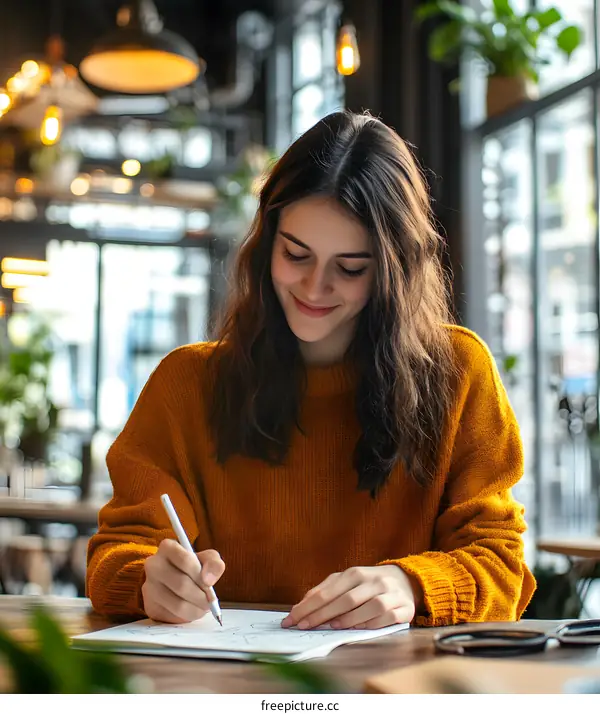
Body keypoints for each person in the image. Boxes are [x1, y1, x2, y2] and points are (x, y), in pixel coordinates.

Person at [87, 110, 536, 630]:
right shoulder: (186, 384)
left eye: (350, 268)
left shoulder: (458, 373)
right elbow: (114, 553)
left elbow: (502, 565)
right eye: (295, 254)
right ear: (266, 242)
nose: (314, 288)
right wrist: (147, 582)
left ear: (395, 271)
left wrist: (412, 586)